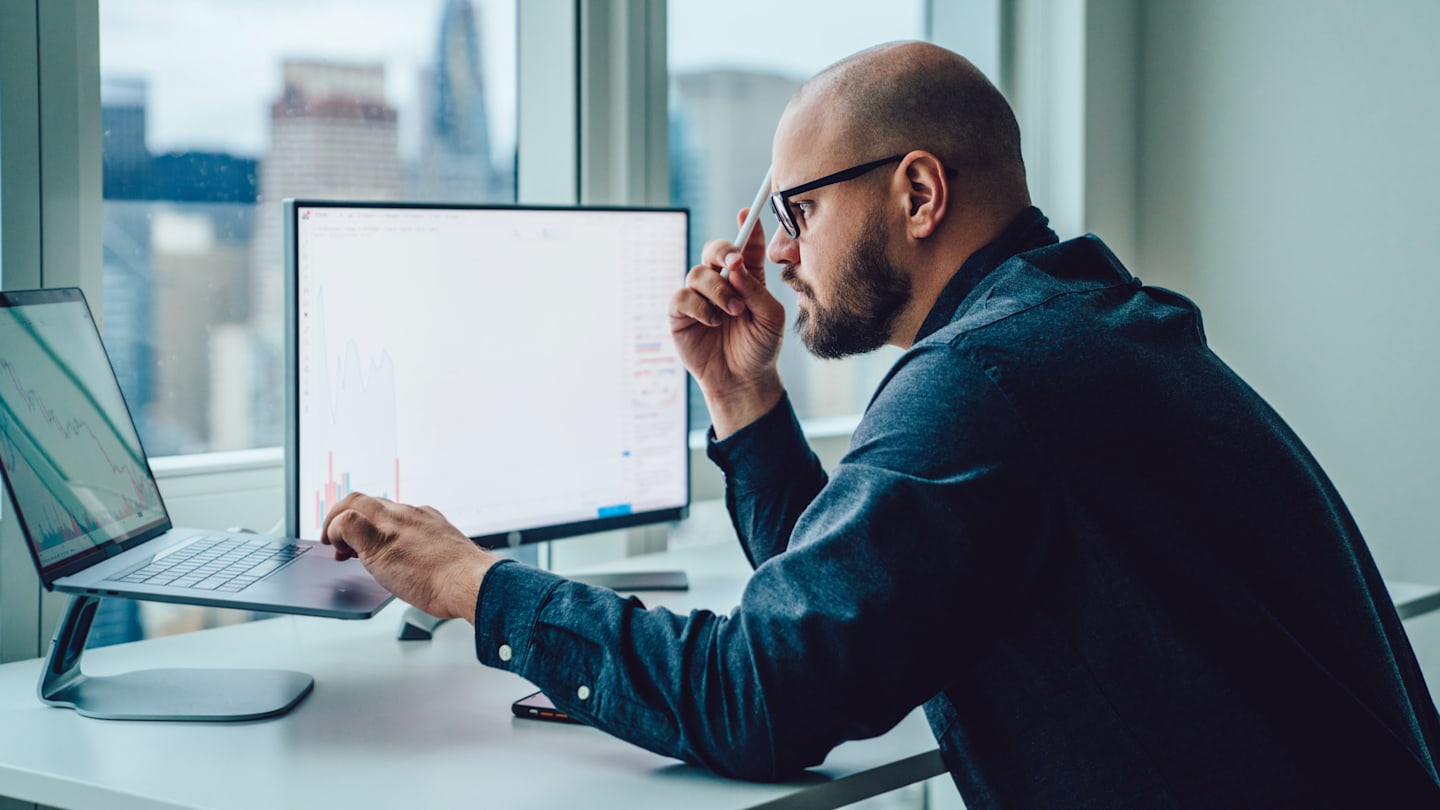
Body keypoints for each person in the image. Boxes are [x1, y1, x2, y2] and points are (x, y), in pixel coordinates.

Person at [321, 41, 1440, 807]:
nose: (783, 254)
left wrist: (477, 583)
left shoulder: (986, 380)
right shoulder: (1068, 326)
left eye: (799, 210)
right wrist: (744, 398)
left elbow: (767, 695)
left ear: (916, 194)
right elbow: (864, 599)